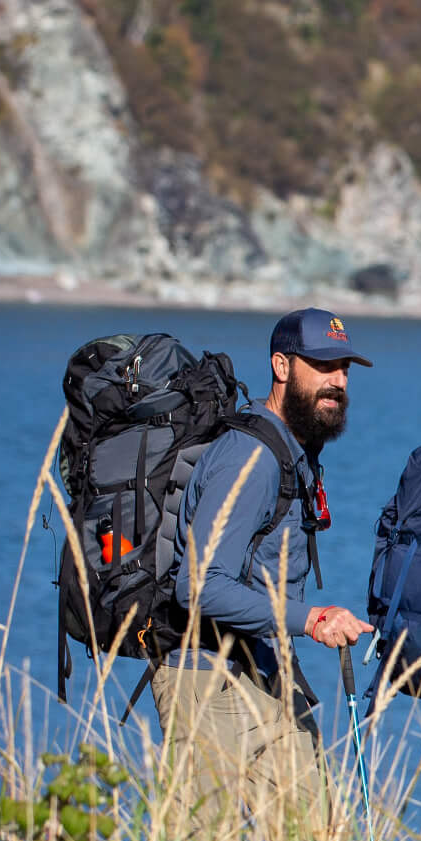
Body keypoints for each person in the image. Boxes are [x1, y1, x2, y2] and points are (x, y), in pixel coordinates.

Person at [158, 308, 375, 814]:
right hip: (206, 679)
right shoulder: (251, 459)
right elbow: (200, 586)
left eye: (344, 369)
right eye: (322, 366)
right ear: (282, 366)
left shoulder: (294, 454)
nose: (337, 382)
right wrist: (312, 619)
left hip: (265, 671)